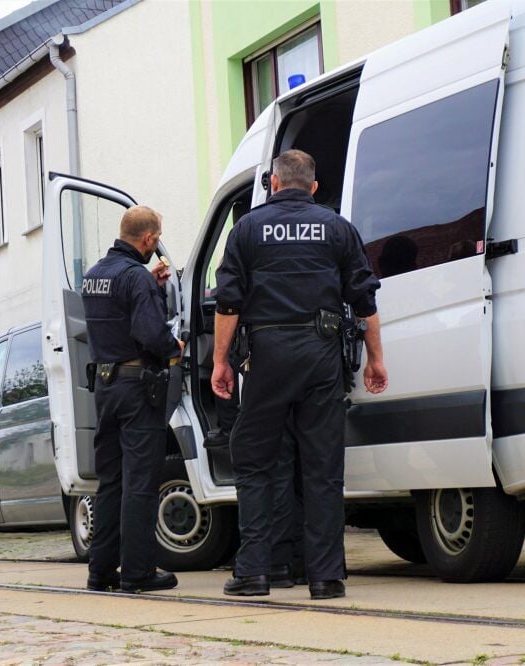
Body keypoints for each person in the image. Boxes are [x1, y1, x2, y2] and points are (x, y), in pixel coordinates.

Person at [212, 149, 388, 600]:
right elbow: (364, 300)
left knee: (256, 462)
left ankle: (254, 571)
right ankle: (325, 577)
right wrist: (375, 358)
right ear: (313, 186)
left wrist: (220, 361)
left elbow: (228, 302)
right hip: (321, 354)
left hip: (266, 356)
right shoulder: (337, 227)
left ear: (273, 183)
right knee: (323, 467)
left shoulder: (247, 229)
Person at [81, 205, 184, 594]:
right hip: (137, 387)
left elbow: (119, 317)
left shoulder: (95, 275)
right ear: (149, 239)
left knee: (110, 482)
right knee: (140, 481)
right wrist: (175, 346)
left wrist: (150, 287)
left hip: (105, 386)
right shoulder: (135, 277)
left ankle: (101, 570)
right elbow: (149, 334)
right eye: (157, 239)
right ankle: (138, 572)